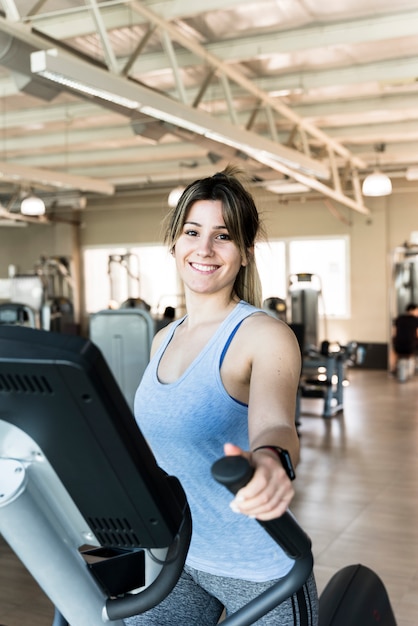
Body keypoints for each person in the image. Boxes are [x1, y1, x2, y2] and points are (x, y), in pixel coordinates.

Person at [126, 166, 318, 625]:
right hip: (180, 557)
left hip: (261, 567)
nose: (205, 249)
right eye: (193, 232)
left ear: (246, 253)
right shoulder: (164, 338)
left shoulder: (263, 335)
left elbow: (275, 425)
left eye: (224, 236)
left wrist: (270, 461)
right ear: (175, 244)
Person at [392, 302, 418, 379]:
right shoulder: (416, 320)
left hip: (398, 345)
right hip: (411, 346)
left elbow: (394, 333)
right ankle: (413, 367)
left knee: (393, 352)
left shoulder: (399, 319)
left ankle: (393, 369)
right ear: (411, 310)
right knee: (413, 351)